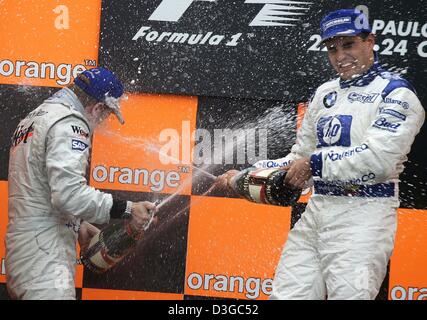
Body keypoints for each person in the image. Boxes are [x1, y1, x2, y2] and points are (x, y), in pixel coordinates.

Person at [213, 9, 425, 299]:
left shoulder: (396, 94)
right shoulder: (325, 93)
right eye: (332, 48)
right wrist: (244, 174)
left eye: (348, 45)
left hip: (364, 216)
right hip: (317, 211)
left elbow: (380, 160)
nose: (340, 56)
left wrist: (313, 164)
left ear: (369, 42)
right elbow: (298, 157)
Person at [6, 67, 157, 300]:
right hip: (45, 257)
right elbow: (68, 194)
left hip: (26, 249)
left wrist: (77, 223)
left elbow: (39, 189)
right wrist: (129, 209)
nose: (102, 123)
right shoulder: (70, 123)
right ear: (97, 107)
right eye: (105, 116)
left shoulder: (38, 116)